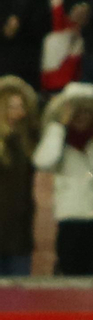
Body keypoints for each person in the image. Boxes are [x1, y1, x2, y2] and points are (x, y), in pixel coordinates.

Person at [33, 83, 93, 276]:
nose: (81, 118)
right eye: (77, 113)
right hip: (71, 220)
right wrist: (59, 126)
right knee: (72, 276)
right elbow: (43, 161)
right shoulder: (58, 141)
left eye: (86, 113)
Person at [0, 77, 40, 275]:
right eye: (11, 107)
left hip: (19, 237)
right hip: (10, 232)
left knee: (18, 299)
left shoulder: (27, 142)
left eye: (21, 106)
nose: (19, 113)